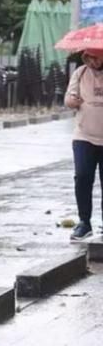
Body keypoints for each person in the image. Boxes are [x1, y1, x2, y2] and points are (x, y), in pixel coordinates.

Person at [65, 48, 103, 240]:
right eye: (90, 57)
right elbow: (69, 99)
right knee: (82, 177)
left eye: (97, 57)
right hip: (84, 136)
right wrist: (72, 101)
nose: (93, 61)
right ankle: (84, 222)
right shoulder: (80, 73)